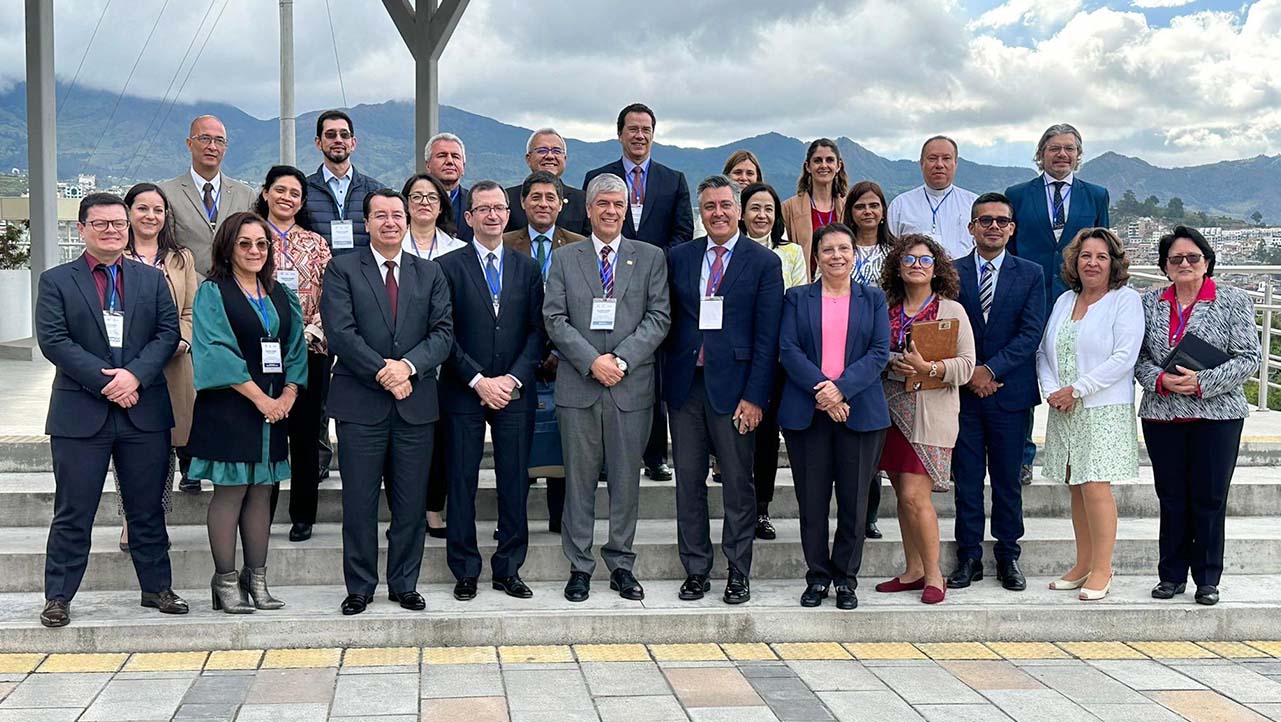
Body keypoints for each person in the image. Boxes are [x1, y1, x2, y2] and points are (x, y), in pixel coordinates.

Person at [36, 193, 186, 628]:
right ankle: (59, 596)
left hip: (143, 408)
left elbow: (166, 333)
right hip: (81, 412)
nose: (111, 231)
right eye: (100, 224)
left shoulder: (152, 279)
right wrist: (108, 382)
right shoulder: (57, 280)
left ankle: (157, 588)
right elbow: (54, 341)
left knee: (147, 508)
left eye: (118, 223)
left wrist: (133, 377)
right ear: (82, 229)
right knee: (73, 508)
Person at [320, 189, 453, 615]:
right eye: (381, 215)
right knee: (359, 501)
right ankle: (359, 586)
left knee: (411, 502)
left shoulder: (429, 272)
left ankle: (404, 583)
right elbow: (340, 331)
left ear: (408, 218)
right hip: (361, 405)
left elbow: (442, 334)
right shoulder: (342, 269)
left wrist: (407, 368)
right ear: (367, 222)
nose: (391, 222)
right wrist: (384, 371)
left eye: (398, 214)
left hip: (415, 403)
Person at [544, 173, 671, 603]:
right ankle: (579, 566)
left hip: (629, 385)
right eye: (603, 204)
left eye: (618, 204)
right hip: (579, 386)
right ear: (590, 209)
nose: (611, 211)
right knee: (578, 481)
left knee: (625, 481)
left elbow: (659, 317)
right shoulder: (565, 258)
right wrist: (591, 361)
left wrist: (619, 360)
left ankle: (621, 564)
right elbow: (555, 319)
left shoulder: (650, 257)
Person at [664, 175, 783, 605]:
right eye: (709, 206)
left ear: (738, 210)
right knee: (688, 482)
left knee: (737, 481)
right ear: (701, 212)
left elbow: (768, 338)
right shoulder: (679, 257)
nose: (717, 213)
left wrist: (755, 397)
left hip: (736, 391)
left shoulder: (764, 263)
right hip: (685, 386)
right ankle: (695, 569)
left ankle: (738, 570)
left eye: (724, 205)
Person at [186, 211, 307, 614]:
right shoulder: (213, 293)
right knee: (232, 491)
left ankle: (256, 579)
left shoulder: (280, 293)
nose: (255, 251)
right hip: (231, 408)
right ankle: (224, 581)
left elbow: (295, 347)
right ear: (228, 247)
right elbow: (216, 351)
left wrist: (288, 394)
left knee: (262, 492)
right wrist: (261, 399)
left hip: (274, 410)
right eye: (245, 244)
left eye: (261, 243)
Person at [1135, 226, 1261, 606]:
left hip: (1217, 415)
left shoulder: (1233, 300)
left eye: (1193, 257)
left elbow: (1249, 358)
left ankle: (1207, 578)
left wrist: (1202, 382)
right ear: (1164, 266)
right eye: (1176, 259)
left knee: (1209, 498)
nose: (1185, 264)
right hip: (1162, 413)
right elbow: (1136, 357)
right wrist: (1158, 379)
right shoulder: (1147, 303)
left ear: (1207, 262)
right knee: (1171, 497)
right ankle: (1171, 574)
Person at [437, 180, 545, 601]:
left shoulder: (527, 267)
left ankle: (509, 568)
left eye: (499, 208)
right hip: (465, 389)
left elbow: (538, 332)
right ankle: (465, 570)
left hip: (515, 389)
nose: (493, 216)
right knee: (461, 480)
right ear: (469, 217)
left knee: (514, 480)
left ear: (508, 213)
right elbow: (443, 332)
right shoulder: (449, 266)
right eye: (483, 209)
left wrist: (512, 379)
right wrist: (479, 380)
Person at [777, 223, 890, 610]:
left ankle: (846, 579)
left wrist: (841, 389)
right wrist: (825, 393)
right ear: (817, 257)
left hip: (859, 412)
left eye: (844, 249)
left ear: (854, 254)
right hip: (808, 412)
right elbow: (789, 350)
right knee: (812, 501)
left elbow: (878, 352)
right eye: (828, 250)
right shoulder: (797, 298)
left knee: (854, 501)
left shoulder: (873, 299)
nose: (836, 256)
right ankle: (817, 577)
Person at [583, 103, 693, 482]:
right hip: (605, 285)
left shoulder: (673, 179)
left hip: (653, 285)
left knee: (652, 371)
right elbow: (592, 229)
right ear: (620, 134)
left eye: (646, 129)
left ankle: (654, 454)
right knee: (604, 359)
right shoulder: (598, 176)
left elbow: (682, 234)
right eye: (632, 129)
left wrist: (644, 260)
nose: (640, 135)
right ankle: (600, 455)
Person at [1037, 228, 1142, 602]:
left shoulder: (1124, 300)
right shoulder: (1065, 300)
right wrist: (1052, 391)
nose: (1092, 263)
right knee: (1076, 485)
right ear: (1074, 262)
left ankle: (1103, 567)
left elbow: (1124, 358)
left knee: (1096, 485)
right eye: (1085, 256)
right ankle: (1082, 564)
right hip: (1064, 408)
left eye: (1100, 256)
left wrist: (1077, 390)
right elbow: (1044, 352)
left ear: (1113, 263)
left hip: (1100, 407)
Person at [949, 193, 1046, 592]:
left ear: (1012, 228)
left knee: (1007, 480)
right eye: (984, 220)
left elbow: (1030, 332)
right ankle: (968, 555)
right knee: (967, 479)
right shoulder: (951, 274)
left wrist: (990, 369)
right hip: (963, 395)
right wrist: (971, 373)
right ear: (971, 228)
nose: (993, 227)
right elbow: (946, 327)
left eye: (1001, 221)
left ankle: (1008, 555)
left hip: (1010, 393)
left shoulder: (1031, 273)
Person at [1006, 124, 1110, 484]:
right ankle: (1022, 455)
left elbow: (1103, 249)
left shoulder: (1095, 196)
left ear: (1079, 156)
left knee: (1074, 375)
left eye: (1069, 148)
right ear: (1041, 154)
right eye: (1054, 148)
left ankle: (1074, 455)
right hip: (1027, 298)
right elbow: (1010, 249)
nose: (1061, 154)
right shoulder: (1017, 195)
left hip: (1075, 300)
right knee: (1022, 377)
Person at [874, 234, 975, 605]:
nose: (917, 265)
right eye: (909, 259)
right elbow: (872, 351)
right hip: (892, 411)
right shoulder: (886, 307)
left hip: (930, 413)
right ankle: (913, 569)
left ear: (937, 268)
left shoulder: (952, 311)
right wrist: (891, 361)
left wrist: (927, 366)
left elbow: (966, 366)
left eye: (925, 260)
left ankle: (935, 575)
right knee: (902, 496)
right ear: (897, 267)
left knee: (918, 496)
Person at [113, 183, 200, 550]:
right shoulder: (115, 255)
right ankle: (130, 521)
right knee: (127, 449)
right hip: (128, 369)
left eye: (158, 210)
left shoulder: (181, 258)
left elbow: (191, 311)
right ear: (129, 212)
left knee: (163, 447)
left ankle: (155, 518)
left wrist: (180, 339)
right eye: (143, 208)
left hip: (173, 366)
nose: (150, 216)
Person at [503, 170, 589, 532]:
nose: (542, 204)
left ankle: (560, 516)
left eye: (550, 197)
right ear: (522, 203)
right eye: (535, 197)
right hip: (513, 357)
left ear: (561, 203)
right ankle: (512, 518)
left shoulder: (579, 245)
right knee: (516, 439)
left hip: (565, 357)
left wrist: (560, 351)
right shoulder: (504, 243)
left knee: (562, 435)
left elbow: (585, 306)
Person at [253, 166, 333, 543]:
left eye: (295, 193)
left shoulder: (316, 243)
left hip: (310, 351)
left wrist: (307, 333)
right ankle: (261, 513)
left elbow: (330, 295)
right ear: (266, 193)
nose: (287, 198)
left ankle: (303, 514)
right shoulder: (250, 237)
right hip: (261, 350)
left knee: (304, 435)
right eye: (280, 190)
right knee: (268, 433)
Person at [400, 172, 468, 537]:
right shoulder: (395, 246)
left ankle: (432, 509)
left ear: (442, 205)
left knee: (440, 439)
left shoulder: (457, 251)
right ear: (406, 203)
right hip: (402, 358)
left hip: (446, 359)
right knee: (405, 441)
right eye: (416, 196)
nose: (424, 202)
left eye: (432, 197)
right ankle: (405, 512)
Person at [740, 182, 806, 540]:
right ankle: (740, 508)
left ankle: (761, 510)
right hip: (737, 358)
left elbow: (796, 302)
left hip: (778, 358)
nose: (761, 215)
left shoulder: (791, 253)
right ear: (742, 213)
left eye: (768, 208)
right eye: (754, 208)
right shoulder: (728, 250)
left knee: (766, 438)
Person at [159, 115, 255, 276]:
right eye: (205, 138)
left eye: (219, 141)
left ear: (225, 147)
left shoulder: (245, 195)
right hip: (187, 290)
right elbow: (166, 250)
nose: (212, 146)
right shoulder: (167, 193)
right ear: (189, 143)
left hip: (235, 289)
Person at [304, 109, 385, 255]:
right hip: (321, 275)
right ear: (318, 143)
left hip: (364, 274)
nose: (338, 140)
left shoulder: (375, 190)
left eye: (344, 135)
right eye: (330, 135)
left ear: (353, 143)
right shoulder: (304, 190)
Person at [886, 136, 979, 261]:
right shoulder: (901, 205)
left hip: (963, 277)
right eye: (932, 158)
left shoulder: (973, 203)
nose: (939, 165)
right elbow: (891, 249)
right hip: (915, 276)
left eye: (946, 158)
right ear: (921, 163)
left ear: (955, 163)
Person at [781, 139, 849, 278]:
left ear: (838, 166)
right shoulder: (789, 208)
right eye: (818, 160)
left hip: (839, 284)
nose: (824, 165)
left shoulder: (847, 208)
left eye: (829, 160)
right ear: (808, 166)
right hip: (803, 285)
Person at [505, 128, 590, 236]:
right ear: (528, 158)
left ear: (565, 158)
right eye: (542, 150)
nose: (550, 156)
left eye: (556, 151)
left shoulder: (583, 200)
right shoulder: (508, 199)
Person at [425, 132, 473, 242]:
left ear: (463, 166)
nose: (450, 161)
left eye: (456, 157)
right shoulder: (412, 204)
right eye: (442, 156)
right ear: (428, 165)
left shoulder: (475, 204)